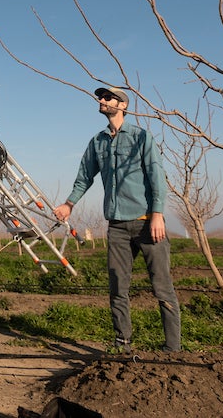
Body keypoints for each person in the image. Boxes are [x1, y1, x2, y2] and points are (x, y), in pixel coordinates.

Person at [53, 86, 181, 353]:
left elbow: (157, 177)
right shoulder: (97, 142)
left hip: (147, 223)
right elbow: (84, 177)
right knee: (118, 287)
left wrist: (158, 215)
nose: (102, 100)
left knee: (162, 287)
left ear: (122, 105)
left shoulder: (141, 138)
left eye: (108, 98)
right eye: (101, 97)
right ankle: (123, 345)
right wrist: (69, 204)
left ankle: (173, 350)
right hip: (117, 227)